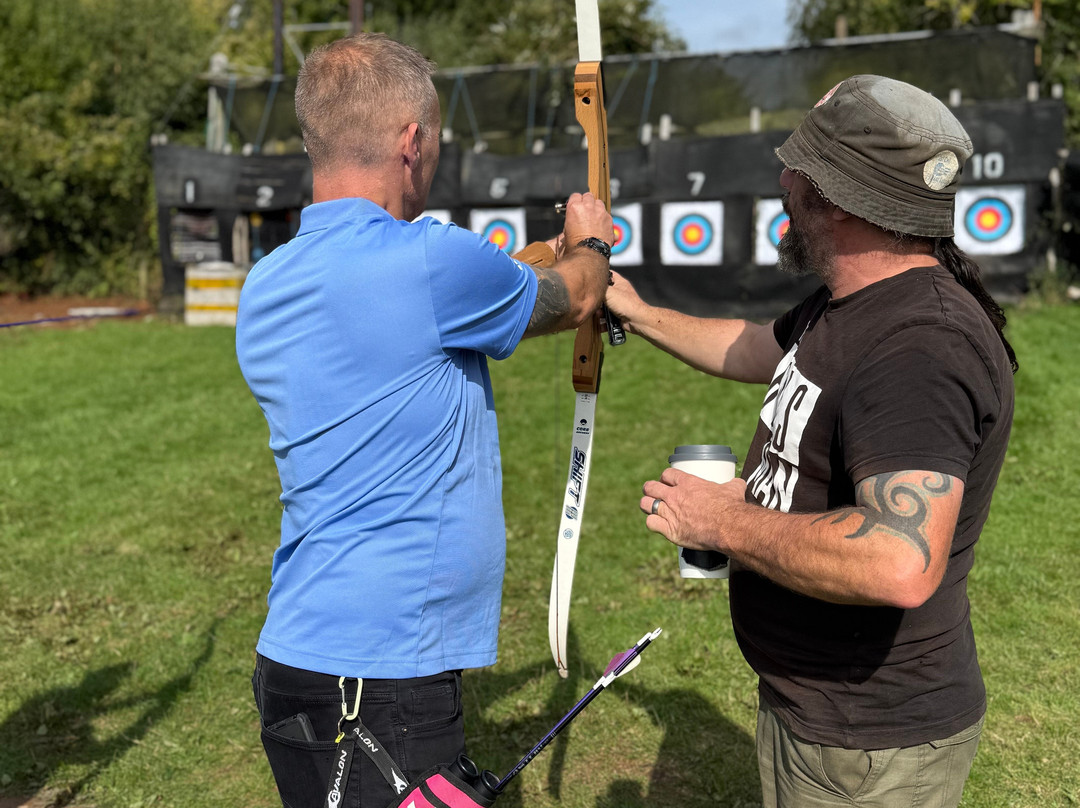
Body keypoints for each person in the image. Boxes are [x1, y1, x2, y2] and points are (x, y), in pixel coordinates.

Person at [605, 75, 1016, 808]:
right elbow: (755, 348)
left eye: (797, 169)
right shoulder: (852, 302)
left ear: (838, 197)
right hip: (827, 720)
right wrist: (636, 313)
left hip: (869, 746)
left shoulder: (920, 345)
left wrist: (724, 522)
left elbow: (899, 561)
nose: (783, 184)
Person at [235, 33, 614, 808]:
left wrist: (542, 254)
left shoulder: (267, 283)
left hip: (297, 660)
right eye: (435, 138)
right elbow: (576, 295)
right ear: (411, 141)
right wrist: (591, 239)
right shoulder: (431, 262)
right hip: (383, 679)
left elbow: (451, 296)